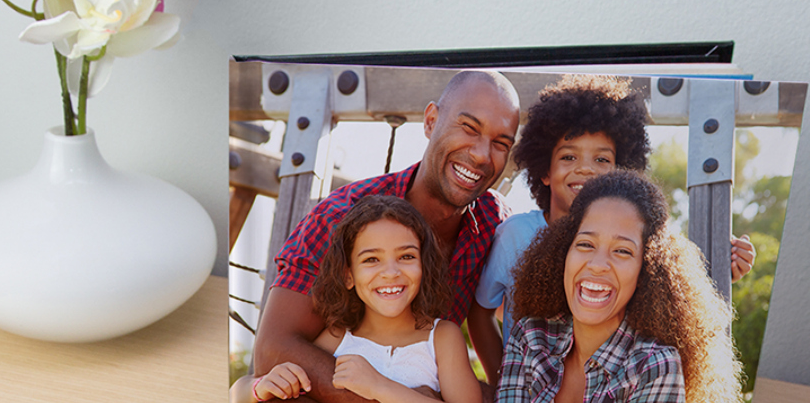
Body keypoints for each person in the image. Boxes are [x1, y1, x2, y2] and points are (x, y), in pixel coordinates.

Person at [253, 70, 520, 402]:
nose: (481, 154)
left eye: (500, 143)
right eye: (469, 128)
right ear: (431, 120)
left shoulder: (495, 225)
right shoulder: (342, 217)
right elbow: (272, 351)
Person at [469, 75, 755, 383]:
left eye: (602, 159)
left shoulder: (640, 242)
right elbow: (480, 311)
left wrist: (717, 265)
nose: (585, 168)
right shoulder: (515, 235)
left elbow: (672, 300)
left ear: (622, 171)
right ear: (545, 170)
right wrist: (504, 381)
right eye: (568, 156)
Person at [497, 170, 743, 403]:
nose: (598, 264)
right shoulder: (530, 338)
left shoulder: (654, 365)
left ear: (647, 270)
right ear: (563, 252)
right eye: (585, 244)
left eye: (622, 251)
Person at [232, 196, 482, 403]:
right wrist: (260, 387)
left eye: (406, 256)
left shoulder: (441, 337)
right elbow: (236, 393)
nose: (391, 272)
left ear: (424, 266)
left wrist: (380, 387)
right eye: (372, 259)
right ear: (348, 275)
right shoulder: (339, 336)